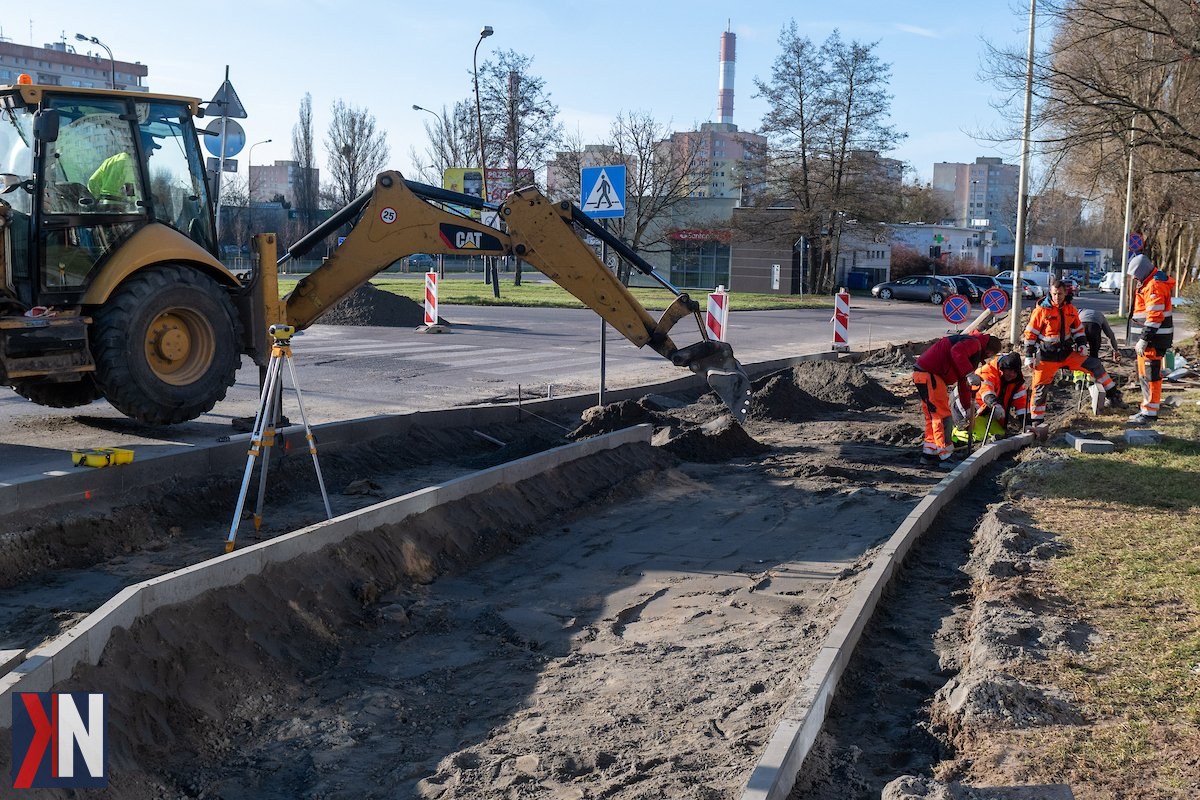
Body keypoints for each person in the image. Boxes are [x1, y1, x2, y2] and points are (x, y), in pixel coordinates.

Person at [1023, 277, 1126, 424]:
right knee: (1039, 389)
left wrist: (1082, 344)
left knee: (1095, 365)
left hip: (1067, 354)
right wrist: (1028, 355)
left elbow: (1078, 329)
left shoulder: (1070, 309)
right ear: (1050, 293)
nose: (1057, 297)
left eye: (1060, 294)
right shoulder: (1041, 311)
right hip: (1047, 356)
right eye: (1054, 294)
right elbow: (1030, 334)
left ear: (1065, 293)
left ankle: (1114, 396)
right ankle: (1036, 421)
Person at [912, 331, 1003, 469]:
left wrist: (967, 408)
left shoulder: (970, 351)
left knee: (933, 416)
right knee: (942, 416)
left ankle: (929, 453)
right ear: (990, 352)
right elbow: (956, 352)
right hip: (931, 374)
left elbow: (963, 384)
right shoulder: (974, 343)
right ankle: (946, 455)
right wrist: (969, 373)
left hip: (924, 374)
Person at [1127, 253, 1175, 424]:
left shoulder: (1154, 286)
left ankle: (1150, 413)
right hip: (1150, 340)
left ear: (1142, 271)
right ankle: (1146, 409)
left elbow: (1155, 317)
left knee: (1151, 376)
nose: (1134, 278)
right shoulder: (1149, 283)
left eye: (1135, 274)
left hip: (1153, 340)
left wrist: (1144, 339)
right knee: (1145, 375)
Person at [951, 351, 1027, 444]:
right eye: (1009, 370)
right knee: (976, 436)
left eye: (1015, 372)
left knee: (1000, 433)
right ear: (1002, 368)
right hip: (963, 405)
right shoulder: (987, 372)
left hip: (983, 412)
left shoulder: (1016, 381)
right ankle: (957, 435)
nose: (1012, 374)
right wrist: (995, 405)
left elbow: (1021, 404)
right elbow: (987, 393)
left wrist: (1027, 424)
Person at [87, 131, 158, 208]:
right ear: (142, 147)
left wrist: (101, 199)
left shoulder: (111, 160)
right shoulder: (129, 163)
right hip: (117, 210)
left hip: (104, 209)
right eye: (150, 148)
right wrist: (147, 198)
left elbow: (92, 184)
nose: (152, 153)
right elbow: (130, 194)